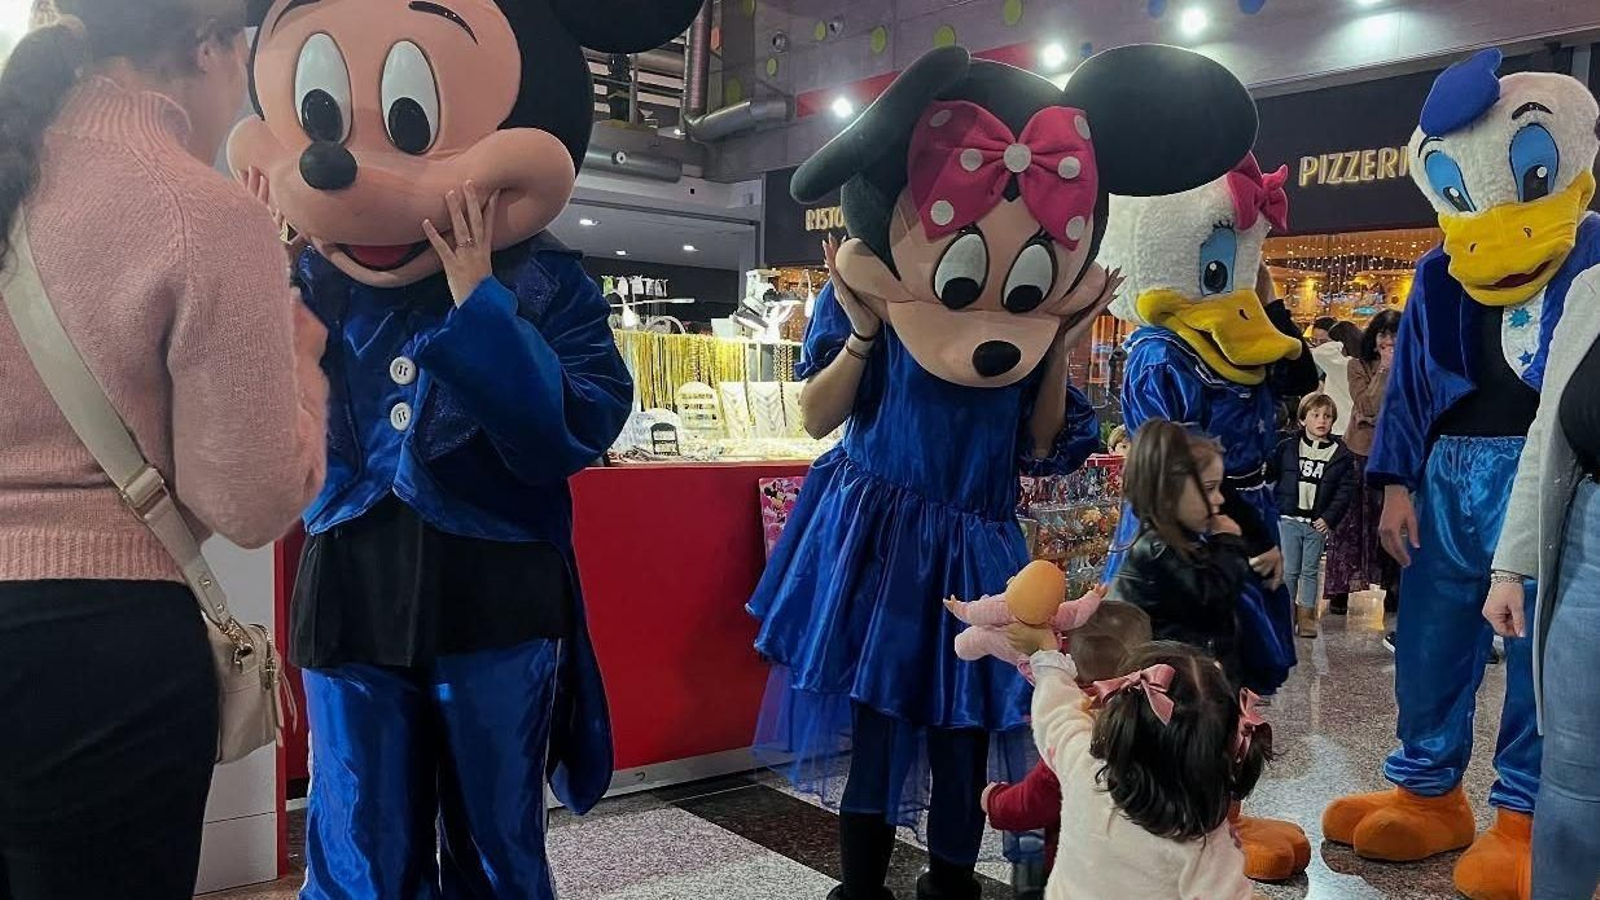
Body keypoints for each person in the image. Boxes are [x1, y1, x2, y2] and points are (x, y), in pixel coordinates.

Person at [747, 43, 1259, 900]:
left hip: (976, 536)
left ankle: (952, 883)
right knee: (873, 724)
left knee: (965, 730)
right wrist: (868, 332)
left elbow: (1042, 443)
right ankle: (861, 884)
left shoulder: (1028, 327)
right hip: (877, 534)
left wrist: (1058, 338)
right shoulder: (879, 297)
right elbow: (817, 414)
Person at [229, 1, 703, 896]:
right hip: (352, 584)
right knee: (361, 829)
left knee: (494, 834)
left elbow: (569, 432)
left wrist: (479, 302)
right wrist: (255, 281)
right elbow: (245, 430)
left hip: (495, 591)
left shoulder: (549, 285)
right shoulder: (304, 281)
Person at [0, 2, 328, 897]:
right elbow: (251, 499)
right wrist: (302, 367)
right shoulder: (204, 212)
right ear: (207, 43)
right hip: (99, 657)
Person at [1323, 49, 1599, 900]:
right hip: (1449, 471)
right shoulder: (1443, 266)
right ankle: (1428, 786)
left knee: (1535, 651)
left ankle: (1524, 813)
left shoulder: (1591, 253)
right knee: (1434, 635)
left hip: (1547, 470)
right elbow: (1412, 381)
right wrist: (1398, 481)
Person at [1485, 257, 1600, 900]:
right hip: (1590, 539)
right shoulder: (1591, 290)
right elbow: (1547, 434)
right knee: (1573, 773)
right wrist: (1511, 566)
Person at [1008, 638, 1275, 900]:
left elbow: (1057, 716)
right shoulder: (1204, 846)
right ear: (1224, 749)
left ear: (1121, 722)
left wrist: (1050, 663)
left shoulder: (1082, 766)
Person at [981, 600, 1154, 891]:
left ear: (1073, 673)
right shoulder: (1162, 717)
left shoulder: (1077, 738)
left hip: (1081, 870)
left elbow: (1030, 803)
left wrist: (994, 800)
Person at [1272, 394, 1357, 639]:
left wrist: (1329, 518)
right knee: (1289, 570)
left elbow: (1344, 491)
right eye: (1315, 415)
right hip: (1289, 519)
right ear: (1302, 420)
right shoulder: (1288, 447)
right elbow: (1275, 476)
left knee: (1310, 571)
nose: (1322, 421)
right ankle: (1284, 616)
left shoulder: (1340, 454)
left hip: (1316, 523)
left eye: (1327, 416)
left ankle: (1307, 616)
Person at [1312, 320, 1361, 437]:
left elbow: (1318, 353)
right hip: (1355, 425)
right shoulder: (1362, 363)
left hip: (1340, 426)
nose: (1319, 344)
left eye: (1324, 341)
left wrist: (1337, 343)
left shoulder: (1342, 364)